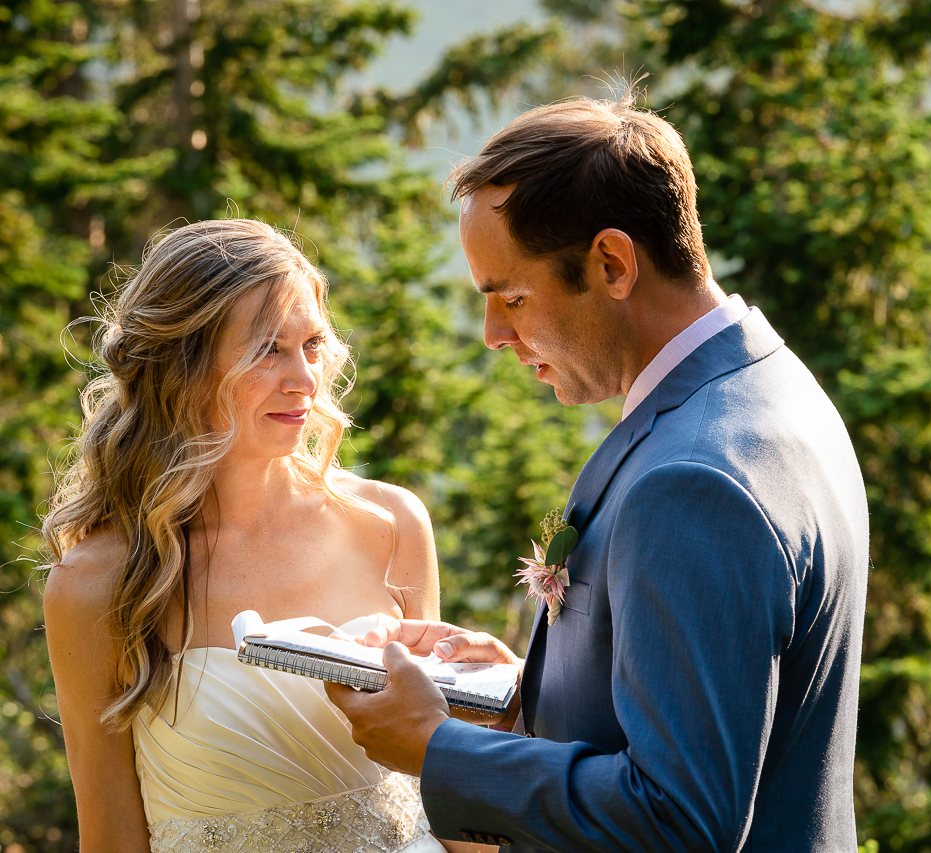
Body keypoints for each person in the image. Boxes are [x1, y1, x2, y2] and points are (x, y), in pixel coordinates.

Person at [327, 88, 870, 851]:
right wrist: (526, 694)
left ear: (613, 262)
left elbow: (678, 818)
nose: (492, 334)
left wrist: (438, 747)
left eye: (511, 297)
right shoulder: (771, 385)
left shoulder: (694, 479)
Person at [42, 219, 489, 853]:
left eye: (312, 344)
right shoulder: (98, 582)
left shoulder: (390, 525)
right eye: (267, 350)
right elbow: (111, 836)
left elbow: (446, 799)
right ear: (182, 366)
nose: (305, 379)